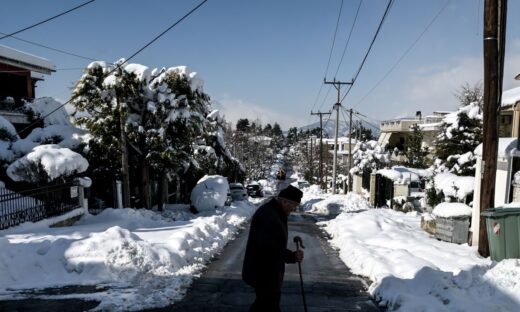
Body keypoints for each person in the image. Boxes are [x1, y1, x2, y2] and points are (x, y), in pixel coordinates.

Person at [242, 184, 304, 312]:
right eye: (293, 205)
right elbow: (269, 247)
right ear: (285, 201)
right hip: (264, 272)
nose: (293, 209)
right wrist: (291, 256)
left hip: (268, 272)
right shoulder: (269, 215)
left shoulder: (275, 212)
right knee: (267, 305)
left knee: (264, 305)